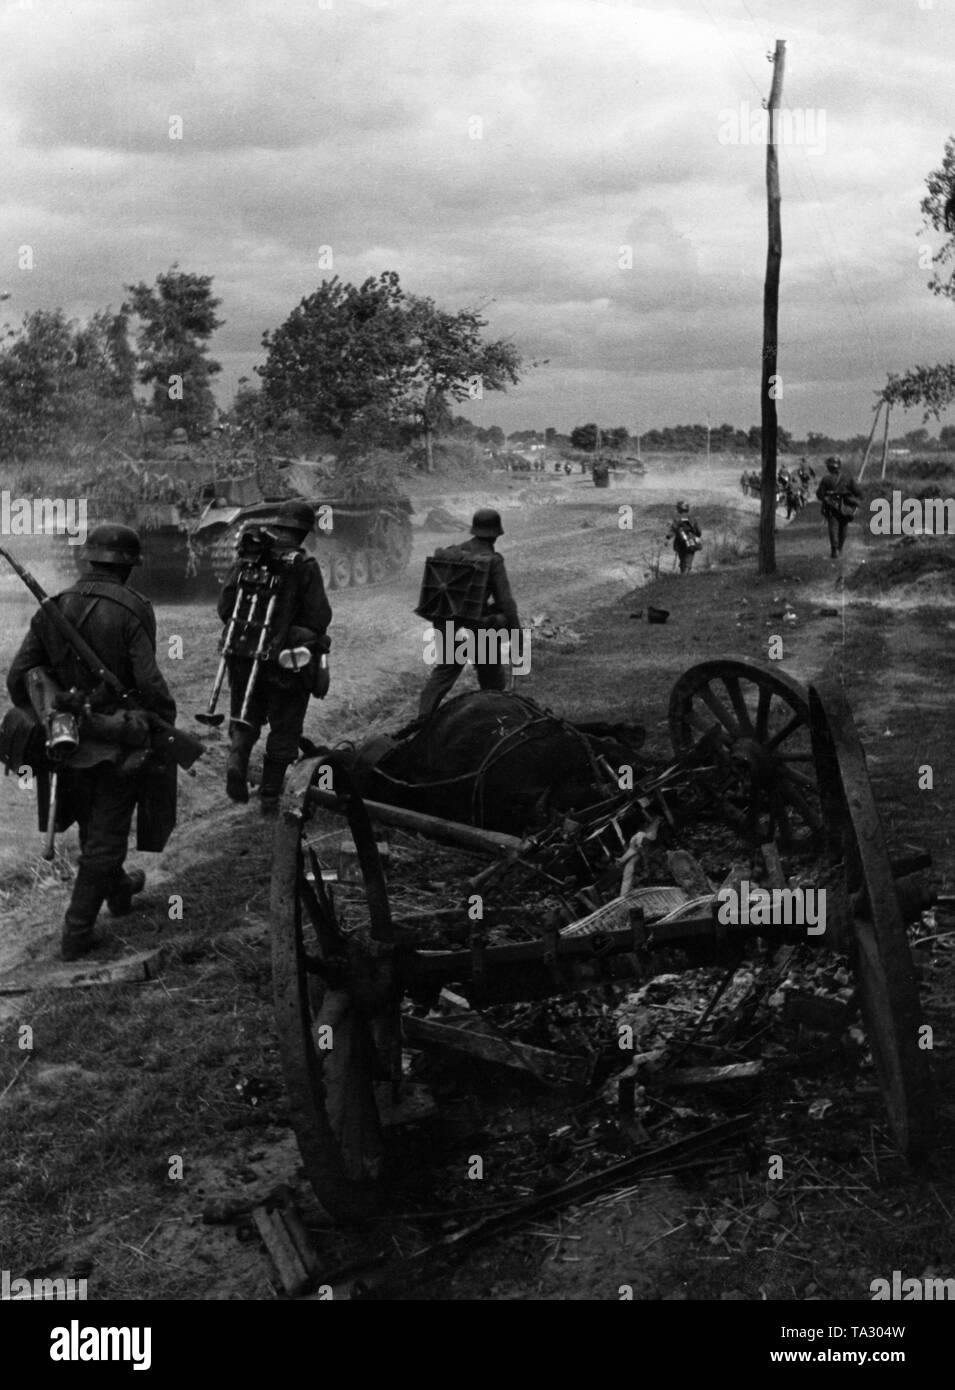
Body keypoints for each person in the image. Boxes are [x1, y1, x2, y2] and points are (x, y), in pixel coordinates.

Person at [6, 524, 177, 960]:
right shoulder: (135, 609)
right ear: (129, 566)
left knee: (94, 827)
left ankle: (118, 891)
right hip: (114, 743)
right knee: (105, 839)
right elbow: (149, 682)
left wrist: (53, 715)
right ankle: (76, 933)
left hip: (64, 742)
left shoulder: (56, 606)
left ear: (90, 560)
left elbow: (19, 677)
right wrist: (160, 722)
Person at [218, 500, 332, 811]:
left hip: (243, 655)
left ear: (278, 525)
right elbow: (319, 617)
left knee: (246, 714)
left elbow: (225, 609)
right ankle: (269, 796)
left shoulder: (248, 558)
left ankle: (237, 763)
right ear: (304, 532)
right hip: (285, 662)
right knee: (285, 725)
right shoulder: (304, 565)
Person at [417, 508, 520, 719]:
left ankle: (422, 719)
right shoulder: (493, 560)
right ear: (496, 534)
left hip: (448, 622)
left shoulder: (453, 551)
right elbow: (506, 601)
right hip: (476, 627)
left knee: (444, 672)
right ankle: (496, 718)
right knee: (492, 678)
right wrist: (515, 631)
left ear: (474, 530)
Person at [816, 457, 862, 558]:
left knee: (833, 527)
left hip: (832, 507)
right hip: (846, 508)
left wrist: (827, 496)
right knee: (844, 527)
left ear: (829, 467)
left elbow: (819, 495)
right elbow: (858, 492)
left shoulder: (826, 479)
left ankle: (834, 549)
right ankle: (840, 548)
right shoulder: (848, 478)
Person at [666, 500, 702, 574]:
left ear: (679, 509)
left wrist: (668, 537)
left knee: (682, 559)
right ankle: (685, 575)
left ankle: (683, 575)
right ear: (687, 508)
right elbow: (699, 531)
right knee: (689, 557)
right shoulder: (692, 518)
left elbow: (673, 529)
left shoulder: (677, 518)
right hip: (691, 540)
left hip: (680, 541)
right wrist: (697, 535)